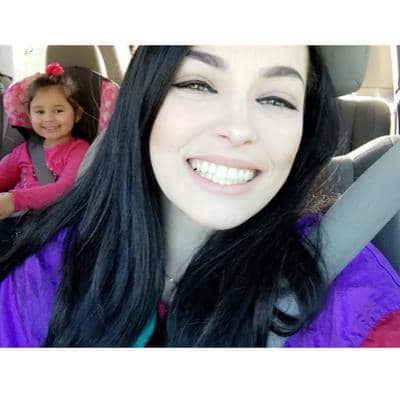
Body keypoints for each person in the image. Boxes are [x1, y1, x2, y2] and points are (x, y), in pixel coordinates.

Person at [0, 46, 399, 347]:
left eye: (277, 99)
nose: (239, 129)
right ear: (145, 101)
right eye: (199, 85)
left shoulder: (352, 300)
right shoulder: (46, 272)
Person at [0, 63, 90, 252]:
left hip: (48, 225)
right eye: (40, 112)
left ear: (77, 114)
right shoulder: (24, 150)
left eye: (58, 111)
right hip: (13, 220)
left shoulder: (79, 149)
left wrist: (13, 200)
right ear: (30, 116)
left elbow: (65, 189)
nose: (48, 119)